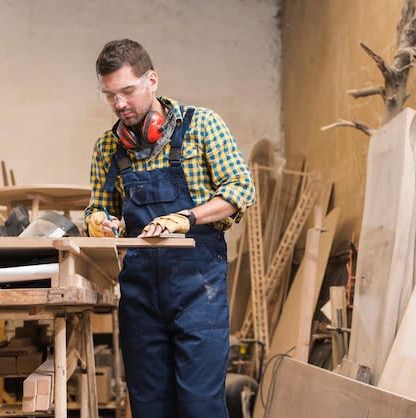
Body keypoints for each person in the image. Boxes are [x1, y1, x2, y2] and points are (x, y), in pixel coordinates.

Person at [83, 39, 256, 418]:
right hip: (140, 294)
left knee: (200, 407)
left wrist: (188, 218)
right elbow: (98, 206)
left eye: (127, 91)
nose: (120, 104)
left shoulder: (202, 125)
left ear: (152, 81)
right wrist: (97, 220)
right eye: (109, 96)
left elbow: (241, 190)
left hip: (199, 289)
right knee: (149, 407)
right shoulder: (106, 149)